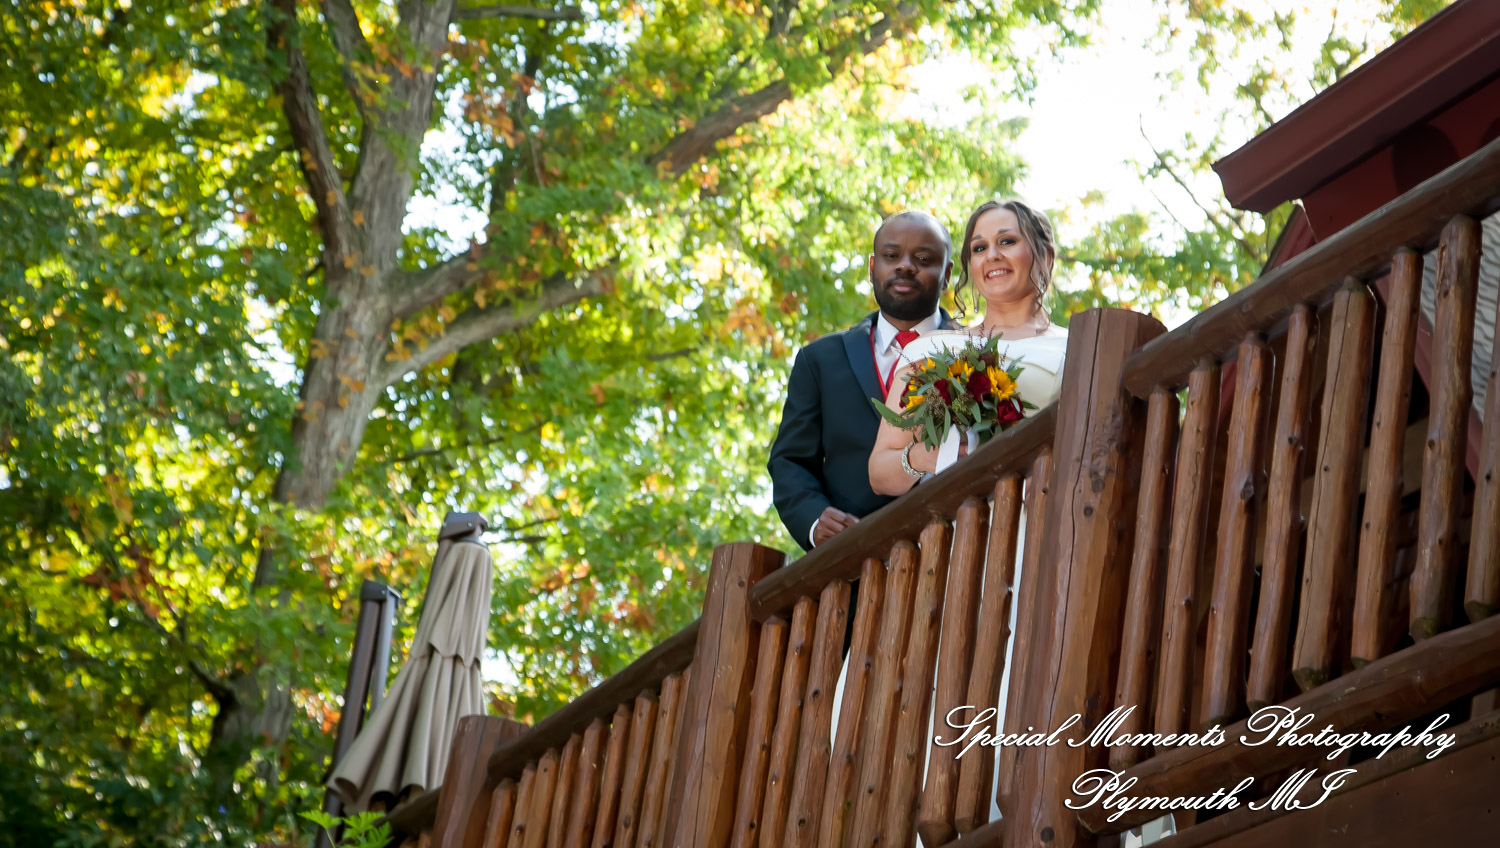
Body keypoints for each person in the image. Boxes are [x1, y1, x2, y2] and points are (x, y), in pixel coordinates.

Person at [768, 209, 962, 551]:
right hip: (852, 568)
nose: (905, 265)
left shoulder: (978, 355)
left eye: (923, 258)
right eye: (891, 256)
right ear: (873, 268)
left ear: (946, 274)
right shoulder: (820, 360)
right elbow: (791, 460)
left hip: (953, 555)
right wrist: (814, 518)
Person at [868, 199, 1068, 495]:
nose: (993, 255)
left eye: (1007, 241)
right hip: (956, 526)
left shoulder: (1075, 345)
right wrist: (922, 457)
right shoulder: (932, 347)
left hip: (1044, 513)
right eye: (979, 248)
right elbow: (879, 474)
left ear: (1046, 257)